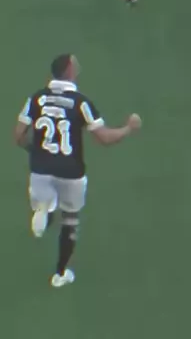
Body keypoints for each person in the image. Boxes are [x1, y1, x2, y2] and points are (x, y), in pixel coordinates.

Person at [14, 53, 141, 288]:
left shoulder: (36, 99)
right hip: (71, 172)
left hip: (41, 168)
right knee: (70, 220)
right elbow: (104, 138)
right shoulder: (81, 103)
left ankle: (44, 210)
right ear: (69, 70)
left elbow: (18, 135)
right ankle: (60, 273)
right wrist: (128, 128)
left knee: (44, 203)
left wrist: (35, 151)